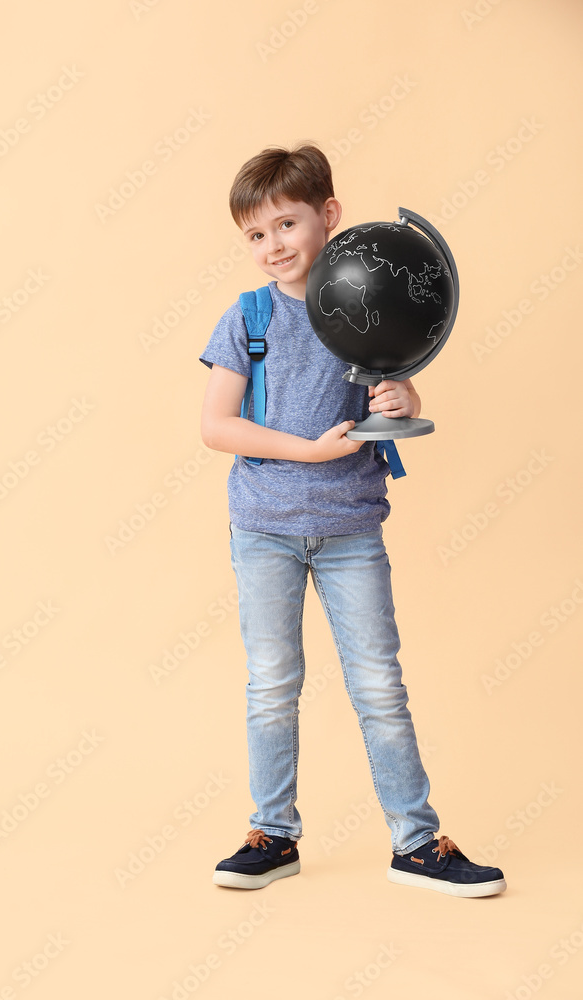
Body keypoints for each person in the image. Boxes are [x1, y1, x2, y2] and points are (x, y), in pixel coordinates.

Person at [198, 142, 506, 898]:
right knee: (272, 685)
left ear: (328, 217)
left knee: (377, 686)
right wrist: (304, 452)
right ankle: (272, 834)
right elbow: (216, 426)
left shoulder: (368, 302)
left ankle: (415, 840)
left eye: (286, 225)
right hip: (264, 528)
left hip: (350, 530)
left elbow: (393, 394)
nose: (272, 246)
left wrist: (407, 402)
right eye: (255, 234)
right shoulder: (248, 318)